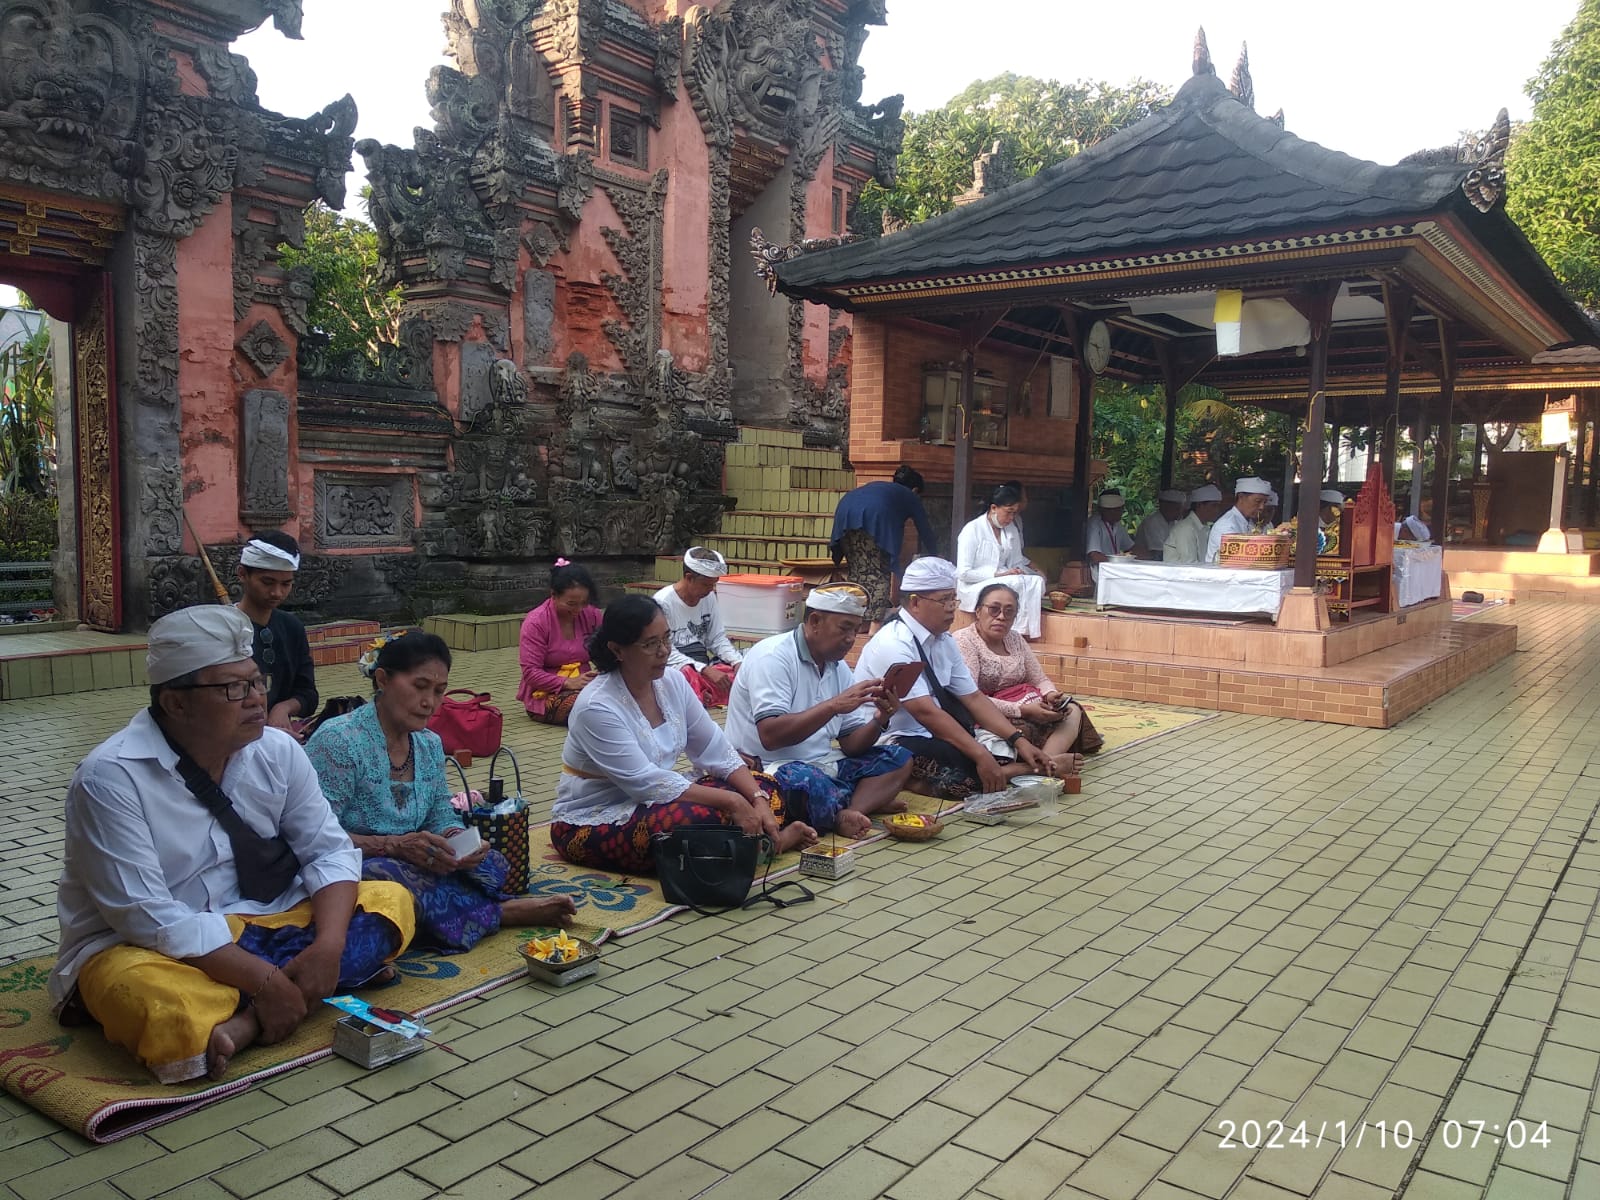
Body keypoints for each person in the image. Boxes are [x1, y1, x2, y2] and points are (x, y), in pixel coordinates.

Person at [50, 606, 415, 1084]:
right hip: (150, 950)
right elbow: (147, 918)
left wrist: (328, 946)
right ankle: (295, 990)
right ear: (176, 703)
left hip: (263, 919)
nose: (256, 700)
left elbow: (328, 851)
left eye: (257, 682)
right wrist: (262, 980)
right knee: (165, 1008)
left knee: (390, 901)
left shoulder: (277, 750)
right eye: (232, 689)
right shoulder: (109, 779)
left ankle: (245, 1022)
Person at [307, 630, 576, 952]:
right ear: (382, 679)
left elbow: (438, 811)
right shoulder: (339, 741)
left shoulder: (429, 744)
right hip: (360, 863)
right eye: (420, 687)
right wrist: (392, 846)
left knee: (493, 864)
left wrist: (456, 840)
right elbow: (315, 836)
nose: (429, 703)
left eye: (439, 691)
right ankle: (499, 913)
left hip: (420, 858)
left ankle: (439, 918)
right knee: (390, 879)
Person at [551, 596, 818, 874]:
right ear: (618, 650)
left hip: (657, 800)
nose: (664, 651)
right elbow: (645, 783)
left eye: (666, 639)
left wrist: (755, 797)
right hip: (591, 819)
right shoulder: (596, 706)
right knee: (695, 822)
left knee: (764, 787)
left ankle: (750, 849)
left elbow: (716, 748)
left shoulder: (673, 682)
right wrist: (734, 801)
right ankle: (765, 845)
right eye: (650, 644)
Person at [725, 583, 915, 840]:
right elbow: (770, 736)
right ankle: (852, 803)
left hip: (824, 763)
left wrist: (881, 719)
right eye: (844, 628)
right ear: (815, 621)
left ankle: (850, 810)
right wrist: (833, 705)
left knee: (899, 758)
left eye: (855, 629)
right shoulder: (772, 657)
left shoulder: (838, 667)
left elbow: (851, 745)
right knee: (806, 782)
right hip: (772, 768)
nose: (851, 639)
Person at [854, 557, 1051, 801]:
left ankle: (1009, 768)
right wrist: (980, 755)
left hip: (930, 733)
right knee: (967, 780)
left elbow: (974, 698)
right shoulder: (894, 643)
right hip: (890, 738)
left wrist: (1018, 740)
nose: (951, 607)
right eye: (944, 599)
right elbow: (925, 712)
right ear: (915, 602)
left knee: (1005, 749)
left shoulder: (944, 641)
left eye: (953, 598)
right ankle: (1027, 771)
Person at [954, 583, 1097, 776]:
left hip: (1026, 704)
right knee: (1019, 730)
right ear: (978, 611)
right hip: (985, 712)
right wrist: (1022, 711)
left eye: (1009, 611)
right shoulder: (964, 641)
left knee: (1070, 711)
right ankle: (1044, 766)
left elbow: (1039, 678)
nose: (1001, 617)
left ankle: (1046, 761)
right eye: (994, 609)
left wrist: (1051, 694)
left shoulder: (1015, 639)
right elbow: (972, 698)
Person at [830, 466, 940, 626]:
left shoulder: (883, 489)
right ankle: (874, 626)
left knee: (858, 571)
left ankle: (856, 622)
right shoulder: (909, 495)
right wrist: (935, 555)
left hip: (845, 516)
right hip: (873, 518)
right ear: (915, 489)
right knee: (879, 572)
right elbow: (924, 528)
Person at [235, 531, 317, 737]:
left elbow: (308, 693)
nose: (277, 593)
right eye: (267, 582)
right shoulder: (222, 628)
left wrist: (284, 708)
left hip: (282, 737)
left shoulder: (292, 627)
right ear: (243, 574)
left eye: (286, 584)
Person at [654, 547, 743, 707]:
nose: (711, 590)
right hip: (675, 666)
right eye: (706, 585)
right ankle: (699, 696)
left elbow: (717, 638)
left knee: (745, 667)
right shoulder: (663, 602)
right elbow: (665, 651)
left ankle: (703, 694)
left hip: (702, 665)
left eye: (713, 585)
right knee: (685, 675)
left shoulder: (708, 597)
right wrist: (704, 670)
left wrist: (737, 662)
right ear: (689, 578)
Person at [518, 559, 603, 725]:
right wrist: (568, 682)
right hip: (545, 694)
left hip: (585, 685)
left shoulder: (592, 615)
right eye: (571, 604)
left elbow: (605, 651)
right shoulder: (536, 622)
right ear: (554, 595)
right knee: (588, 707)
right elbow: (530, 672)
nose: (578, 610)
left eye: (584, 603)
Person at [956, 483, 1047, 638]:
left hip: (1007, 577)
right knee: (1013, 583)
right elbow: (964, 573)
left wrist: (1024, 571)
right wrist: (999, 575)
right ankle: (1012, 633)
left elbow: (1017, 561)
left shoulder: (1011, 529)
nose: (1011, 518)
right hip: (975, 583)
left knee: (1036, 582)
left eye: (1014, 513)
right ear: (993, 508)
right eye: (1008, 512)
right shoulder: (972, 530)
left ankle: (1024, 631)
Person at [1206, 477, 1272, 563]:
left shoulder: (1251, 522)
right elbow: (1238, 557)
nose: (1262, 507)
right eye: (1257, 501)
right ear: (1241, 497)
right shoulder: (1227, 524)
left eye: (1264, 502)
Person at [1163, 485, 1223, 563]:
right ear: (1200, 506)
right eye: (1214, 506)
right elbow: (1190, 564)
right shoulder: (1186, 528)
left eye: (1218, 506)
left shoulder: (1204, 528)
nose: (1217, 510)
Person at [1084, 490, 1134, 582]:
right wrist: (1116, 561)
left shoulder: (1117, 524)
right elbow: (1095, 556)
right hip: (1099, 575)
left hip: (1114, 572)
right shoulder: (1094, 524)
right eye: (1118, 510)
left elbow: (1130, 547)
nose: (1120, 513)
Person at [1134, 490, 1186, 559]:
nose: (1180, 512)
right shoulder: (1152, 523)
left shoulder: (1174, 522)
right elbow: (1159, 553)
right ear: (1164, 506)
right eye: (1177, 509)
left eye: (1181, 509)